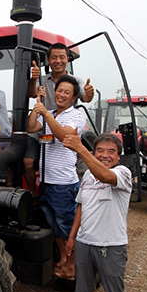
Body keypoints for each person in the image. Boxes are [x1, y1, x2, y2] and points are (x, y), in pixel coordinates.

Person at [58, 132, 132, 292]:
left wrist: (81, 149)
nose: (105, 155)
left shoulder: (122, 174)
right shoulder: (88, 174)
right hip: (85, 244)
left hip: (111, 246)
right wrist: (71, 237)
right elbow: (81, 205)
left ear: (118, 157)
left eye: (111, 151)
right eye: (100, 150)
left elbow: (105, 175)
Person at [27, 75, 86, 280]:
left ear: (73, 97)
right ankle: (63, 258)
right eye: (59, 90)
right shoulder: (49, 112)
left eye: (66, 92)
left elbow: (65, 137)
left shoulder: (76, 115)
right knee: (54, 224)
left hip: (64, 183)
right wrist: (37, 106)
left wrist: (46, 115)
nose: (61, 94)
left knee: (66, 225)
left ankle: (73, 265)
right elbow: (31, 127)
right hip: (46, 180)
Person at [24, 43, 95, 195]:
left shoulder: (76, 81)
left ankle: (82, 195)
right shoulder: (42, 80)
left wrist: (90, 93)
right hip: (42, 125)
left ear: (67, 59)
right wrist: (33, 79)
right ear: (48, 60)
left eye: (62, 57)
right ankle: (32, 194)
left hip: (63, 126)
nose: (58, 61)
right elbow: (31, 94)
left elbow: (86, 97)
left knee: (73, 158)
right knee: (28, 161)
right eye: (54, 57)